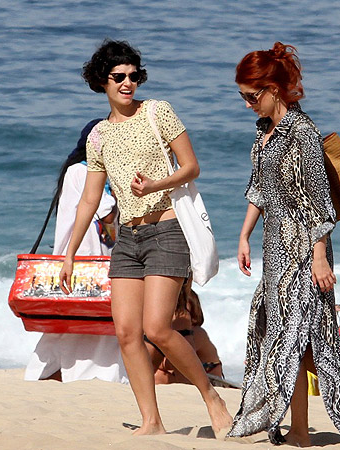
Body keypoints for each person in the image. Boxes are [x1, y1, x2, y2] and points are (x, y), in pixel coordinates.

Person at [58, 40, 232, 436]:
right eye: (119, 76)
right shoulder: (99, 136)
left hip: (167, 230)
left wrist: (158, 183)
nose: (128, 83)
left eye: (134, 75)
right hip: (128, 240)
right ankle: (152, 421)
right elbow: (88, 200)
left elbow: (191, 167)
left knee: (157, 329)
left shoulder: (157, 112)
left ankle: (211, 396)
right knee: (125, 332)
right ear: (102, 80)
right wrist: (69, 253)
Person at [228, 42, 340, 447]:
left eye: (251, 96)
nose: (247, 104)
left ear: (273, 90)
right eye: (243, 97)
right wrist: (245, 235)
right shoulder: (263, 134)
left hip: (304, 252)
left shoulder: (303, 133)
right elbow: (259, 190)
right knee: (286, 337)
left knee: (298, 339)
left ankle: (328, 418)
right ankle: (310, 423)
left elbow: (318, 203)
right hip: (274, 250)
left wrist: (319, 257)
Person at [24, 119, 127, 384]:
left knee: (65, 321)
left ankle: (43, 374)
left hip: (72, 256)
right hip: (91, 257)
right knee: (99, 319)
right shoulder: (88, 173)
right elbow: (107, 215)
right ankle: (96, 376)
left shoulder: (72, 171)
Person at [146, 275, 225, 384]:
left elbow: (176, 359)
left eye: (182, 311)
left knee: (161, 372)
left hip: (209, 379)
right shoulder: (168, 333)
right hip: (180, 379)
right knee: (158, 373)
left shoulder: (198, 333)